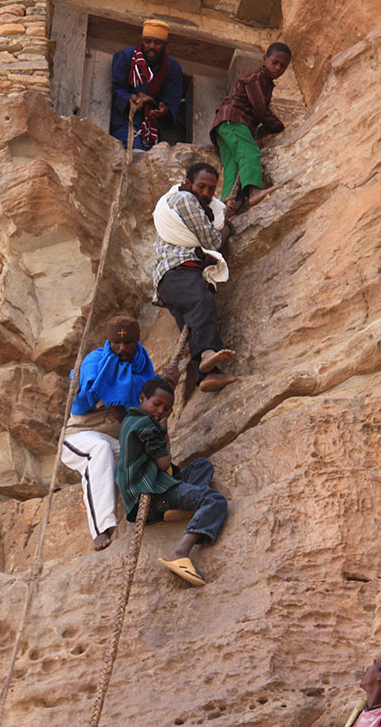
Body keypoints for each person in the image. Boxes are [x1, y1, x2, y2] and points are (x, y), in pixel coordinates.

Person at [61, 315, 177, 551]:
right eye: (117, 343)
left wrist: (165, 384)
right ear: (109, 341)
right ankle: (102, 529)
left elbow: (150, 403)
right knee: (101, 450)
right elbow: (114, 404)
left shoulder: (143, 364)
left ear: (138, 341)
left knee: (141, 460)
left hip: (117, 438)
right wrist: (139, 437)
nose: (122, 348)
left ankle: (159, 506)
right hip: (81, 435)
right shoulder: (95, 361)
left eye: (128, 343)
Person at [115, 377, 227, 586]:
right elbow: (163, 461)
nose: (161, 411)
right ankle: (179, 552)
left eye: (167, 409)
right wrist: (165, 440)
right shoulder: (146, 425)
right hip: (150, 494)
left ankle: (178, 509)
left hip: (155, 488)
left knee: (201, 465)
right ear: (142, 398)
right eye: (157, 404)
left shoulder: (131, 419)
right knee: (215, 500)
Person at [153, 162, 240, 392]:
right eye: (201, 186)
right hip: (180, 270)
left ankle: (207, 375)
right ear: (188, 183)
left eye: (212, 189)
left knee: (193, 321)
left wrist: (222, 216)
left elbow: (210, 225)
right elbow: (212, 241)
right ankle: (210, 353)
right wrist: (227, 229)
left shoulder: (200, 206)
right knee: (202, 301)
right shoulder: (185, 200)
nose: (206, 193)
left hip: (170, 282)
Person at [210, 42, 292, 213]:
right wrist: (280, 128)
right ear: (265, 59)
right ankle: (254, 190)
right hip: (233, 119)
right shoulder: (257, 77)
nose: (278, 68)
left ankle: (227, 207)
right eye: (275, 62)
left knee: (233, 165)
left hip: (223, 125)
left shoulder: (266, 81)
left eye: (283, 66)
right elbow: (260, 110)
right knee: (250, 152)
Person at [109, 19, 184, 150]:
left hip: (152, 124)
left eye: (158, 43)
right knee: (131, 150)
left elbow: (173, 102)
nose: (152, 46)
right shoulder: (125, 57)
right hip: (125, 120)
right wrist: (129, 98)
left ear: (166, 44)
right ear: (141, 40)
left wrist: (164, 111)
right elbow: (117, 88)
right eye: (147, 41)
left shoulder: (173, 68)